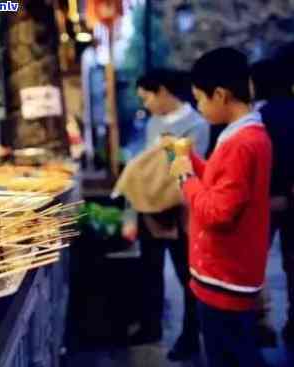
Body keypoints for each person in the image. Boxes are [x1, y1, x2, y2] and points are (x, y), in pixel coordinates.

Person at [170, 47, 272, 367]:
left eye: (199, 100)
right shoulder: (242, 135)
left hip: (225, 278)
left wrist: (186, 176)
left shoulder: (242, 143)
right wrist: (194, 162)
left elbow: (217, 212)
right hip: (228, 272)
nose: (198, 108)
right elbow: (222, 184)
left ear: (221, 95)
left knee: (228, 354)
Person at [129, 68, 209, 361]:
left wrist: (163, 160)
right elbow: (147, 166)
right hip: (150, 209)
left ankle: (189, 336)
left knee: (187, 276)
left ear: (162, 91)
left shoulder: (197, 126)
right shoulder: (153, 123)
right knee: (149, 271)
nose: (146, 103)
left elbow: (184, 169)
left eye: (147, 96)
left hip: (182, 214)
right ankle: (150, 327)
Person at [251, 56, 294, 346]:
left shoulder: (259, 118)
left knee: (254, 263)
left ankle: (260, 323)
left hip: (265, 200)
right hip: (291, 198)